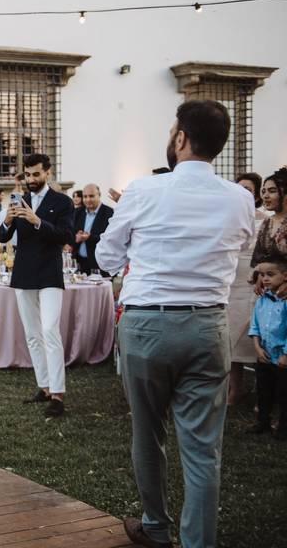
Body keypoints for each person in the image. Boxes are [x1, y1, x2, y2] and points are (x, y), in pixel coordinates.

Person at [96, 100, 254, 548]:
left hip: (147, 325)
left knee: (148, 432)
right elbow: (243, 243)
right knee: (204, 448)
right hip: (208, 326)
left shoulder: (143, 191)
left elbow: (106, 258)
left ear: (180, 138)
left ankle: (155, 526)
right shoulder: (241, 199)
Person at [0, 154, 74, 418]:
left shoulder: (62, 202)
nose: (31, 179)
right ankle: (44, 387)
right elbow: (1, 236)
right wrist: (8, 220)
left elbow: (66, 235)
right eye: (27, 175)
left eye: (36, 174)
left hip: (50, 273)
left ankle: (58, 394)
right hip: (24, 273)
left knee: (50, 330)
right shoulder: (20, 200)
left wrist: (36, 220)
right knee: (32, 334)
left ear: (47, 173)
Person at [227, 172, 268, 403]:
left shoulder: (264, 220)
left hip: (254, 280)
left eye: (249, 189)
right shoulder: (229, 217)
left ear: (256, 195)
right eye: (240, 187)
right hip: (232, 281)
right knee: (231, 336)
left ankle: (264, 392)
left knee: (254, 336)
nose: (243, 192)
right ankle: (236, 387)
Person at [248, 254, 287, 439]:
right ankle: (262, 421)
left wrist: (285, 355)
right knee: (264, 391)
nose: (264, 279)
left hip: (282, 358)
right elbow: (254, 325)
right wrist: (257, 347)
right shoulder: (262, 300)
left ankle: (282, 427)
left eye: (270, 274)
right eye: (262, 275)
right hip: (264, 354)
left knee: (283, 393)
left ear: (285, 276)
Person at [251, 168, 287, 297]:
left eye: (272, 191)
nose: (265, 196)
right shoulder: (267, 222)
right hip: (270, 294)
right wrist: (260, 275)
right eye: (264, 191)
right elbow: (259, 258)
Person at [70, 184, 114, 275]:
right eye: (85, 197)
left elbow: (112, 239)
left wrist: (89, 237)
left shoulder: (109, 213)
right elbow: (70, 233)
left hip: (100, 265)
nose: (88, 199)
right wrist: (76, 237)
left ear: (99, 195)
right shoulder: (77, 212)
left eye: (91, 196)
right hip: (79, 263)